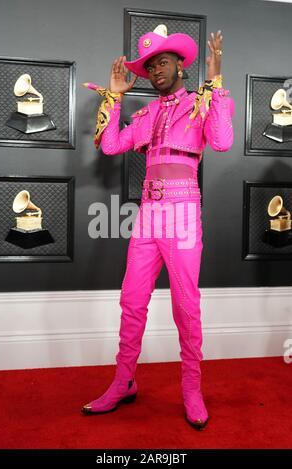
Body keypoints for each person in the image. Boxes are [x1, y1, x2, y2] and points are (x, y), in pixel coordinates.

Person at [81, 25, 234, 430]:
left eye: (163, 63)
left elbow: (221, 141)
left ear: (181, 66)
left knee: (186, 306)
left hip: (183, 215)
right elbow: (110, 144)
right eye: (150, 67)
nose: (156, 71)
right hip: (148, 216)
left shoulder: (201, 104)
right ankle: (123, 381)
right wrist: (116, 95)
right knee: (132, 301)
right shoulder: (146, 115)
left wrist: (216, 79)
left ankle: (191, 388)